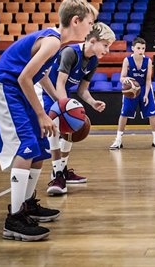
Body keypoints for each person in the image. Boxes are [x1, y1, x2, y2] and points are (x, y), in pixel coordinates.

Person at [0, 0, 96, 241]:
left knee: (40, 149)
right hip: (5, 86)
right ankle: (14, 219)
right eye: (90, 22)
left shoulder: (57, 45)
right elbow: (24, 78)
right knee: (26, 147)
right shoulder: (53, 43)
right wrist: (41, 113)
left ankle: (27, 205)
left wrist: (61, 104)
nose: (91, 28)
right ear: (76, 21)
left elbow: (41, 77)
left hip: (17, 88)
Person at [42, 22, 116, 196]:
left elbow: (82, 90)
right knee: (57, 127)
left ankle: (62, 170)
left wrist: (92, 102)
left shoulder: (94, 61)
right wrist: (65, 108)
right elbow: (59, 83)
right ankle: (57, 174)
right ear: (92, 40)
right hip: (46, 90)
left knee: (71, 128)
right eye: (105, 45)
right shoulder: (70, 52)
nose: (107, 50)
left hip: (63, 93)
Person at [109, 37, 155, 149]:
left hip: (144, 88)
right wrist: (125, 80)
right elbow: (121, 77)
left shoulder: (148, 61)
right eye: (138, 48)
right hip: (131, 89)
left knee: (152, 114)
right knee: (124, 114)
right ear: (133, 48)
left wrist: (146, 94)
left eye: (143, 48)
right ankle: (118, 140)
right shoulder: (127, 60)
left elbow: (148, 80)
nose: (141, 50)